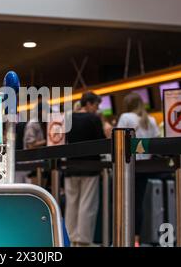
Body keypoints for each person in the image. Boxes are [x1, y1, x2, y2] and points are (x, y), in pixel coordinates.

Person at [116, 92, 160, 244]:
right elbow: (155, 143)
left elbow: (118, 142)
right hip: (145, 167)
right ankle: (136, 239)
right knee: (138, 204)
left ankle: (124, 238)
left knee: (125, 203)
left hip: (128, 166)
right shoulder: (151, 120)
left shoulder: (125, 117)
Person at [65, 92, 105, 246]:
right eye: (96, 105)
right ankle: (83, 240)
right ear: (88, 103)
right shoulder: (93, 119)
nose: (97, 109)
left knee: (71, 203)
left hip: (70, 167)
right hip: (90, 166)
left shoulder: (68, 118)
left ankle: (69, 237)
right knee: (87, 204)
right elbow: (101, 141)